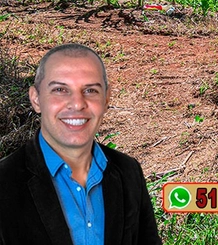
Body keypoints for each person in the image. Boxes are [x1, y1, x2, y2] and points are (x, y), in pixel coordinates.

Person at [0, 43, 161, 245]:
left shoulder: (128, 172)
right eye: (60, 89)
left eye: (90, 90)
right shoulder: (5, 182)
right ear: (36, 99)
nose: (77, 104)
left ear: (106, 99)